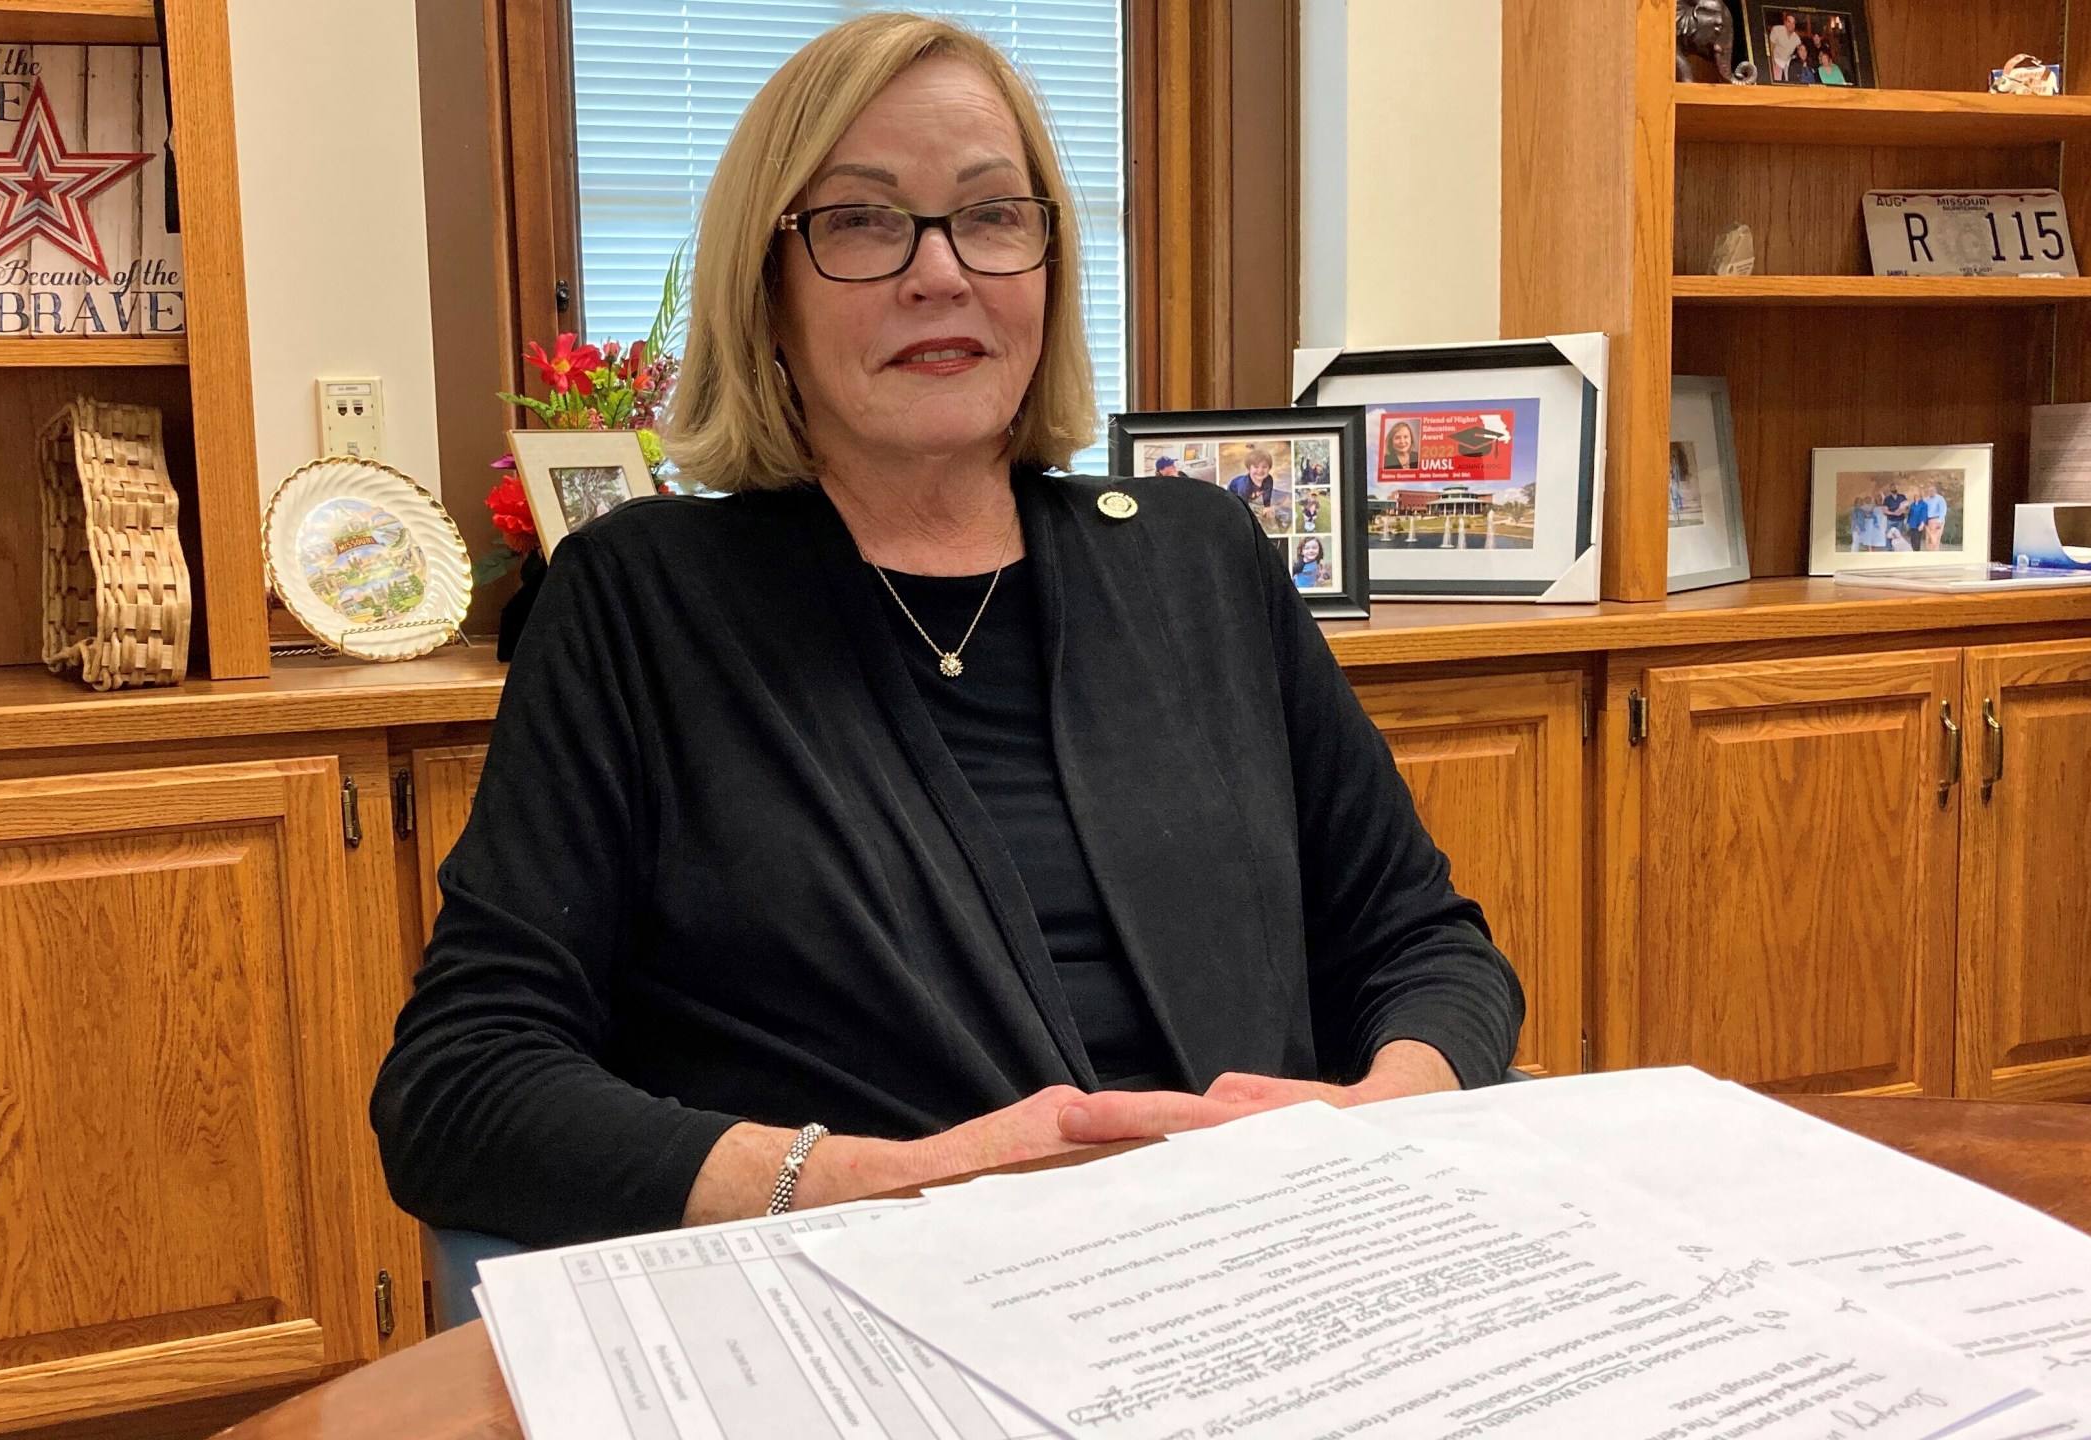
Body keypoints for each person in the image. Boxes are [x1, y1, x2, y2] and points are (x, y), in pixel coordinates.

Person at [371, 13, 1522, 1249]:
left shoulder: (1203, 558)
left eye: (991, 214)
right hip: (874, 1290)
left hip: (1252, 1262)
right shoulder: (640, 602)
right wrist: (899, 1179)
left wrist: (1375, 1117)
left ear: (1045, 266)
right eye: (861, 220)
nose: (942, 271)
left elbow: (1423, 943)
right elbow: (461, 1086)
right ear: (764, 293)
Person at [1227, 445, 1284, 529]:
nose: (1260, 470)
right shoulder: (1244, 486)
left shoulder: (1268, 479)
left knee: (1269, 507)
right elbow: (1242, 505)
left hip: (1253, 492)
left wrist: (1267, 507)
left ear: (1269, 468)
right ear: (1249, 468)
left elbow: (1267, 494)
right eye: (1256, 467)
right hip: (1234, 491)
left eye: (1264, 467)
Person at [1766, 13, 1803, 83]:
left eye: (1793, 23)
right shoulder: (1777, 30)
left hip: (1788, 66)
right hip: (1776, 62)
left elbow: (1801, 50)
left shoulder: (1796, 38)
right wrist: (1771, 63)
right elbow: (1771, 47)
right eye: (1789, 22)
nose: (1791, 25)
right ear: (1785, 22)